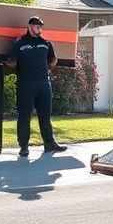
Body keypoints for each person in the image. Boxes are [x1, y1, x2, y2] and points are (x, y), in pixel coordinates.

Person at [6, 16, 67, 157]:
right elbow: (11, 61)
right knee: (24, 116)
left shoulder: (46, 43)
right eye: (37, 26)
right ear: (29, 26)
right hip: (25, 84)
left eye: (41, 26)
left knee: (45, 116)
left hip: (44, 84)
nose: (39, 28)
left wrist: (46, 69)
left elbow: (53, 60)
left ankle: (49, 144)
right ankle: (24, 147)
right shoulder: (20, 43)